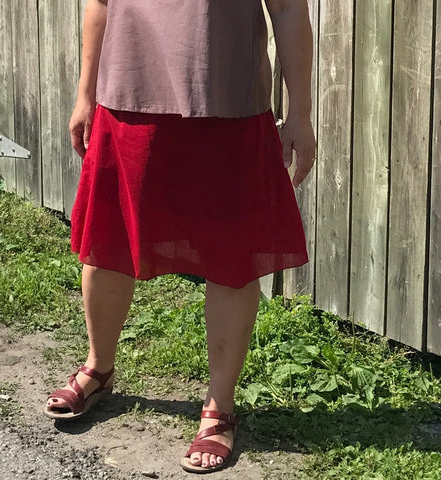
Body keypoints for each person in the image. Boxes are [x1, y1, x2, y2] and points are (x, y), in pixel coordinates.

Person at [44, 0, 316, 474]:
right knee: (108, 245)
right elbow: (101, 3)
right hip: (126, 97)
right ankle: (98, 367)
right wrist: (85, 94)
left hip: (228, 101)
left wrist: (301, 112)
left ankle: (220, 405)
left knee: (232, 259)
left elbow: (289, 8)